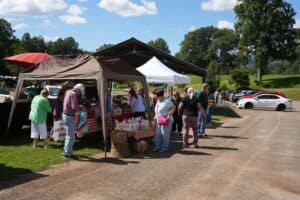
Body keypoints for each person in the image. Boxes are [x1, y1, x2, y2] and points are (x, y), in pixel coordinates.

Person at [62, 83, 84, 158]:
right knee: (71, 136)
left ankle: (66, 151)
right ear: (78, 90)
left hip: (65, 115)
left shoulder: (67, 91)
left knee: (68, 135)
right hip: (69, 116)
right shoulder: (74, 94)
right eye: (80, 92)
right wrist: (80, 107)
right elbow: (74, 107)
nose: (79, 94)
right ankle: (67, 153)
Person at [153, 88, 176, 152]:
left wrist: (169, 114)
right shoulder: (158, 101)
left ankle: (164, 148)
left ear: (160, 96)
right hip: (159, 120)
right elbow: (157, 110)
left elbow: (174, 108)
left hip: (166, 120)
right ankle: (158, 147)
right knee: (158, 134)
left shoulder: (167, 101)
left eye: (156, 96)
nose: (156, 97)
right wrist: (155, 116)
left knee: (165, 135)